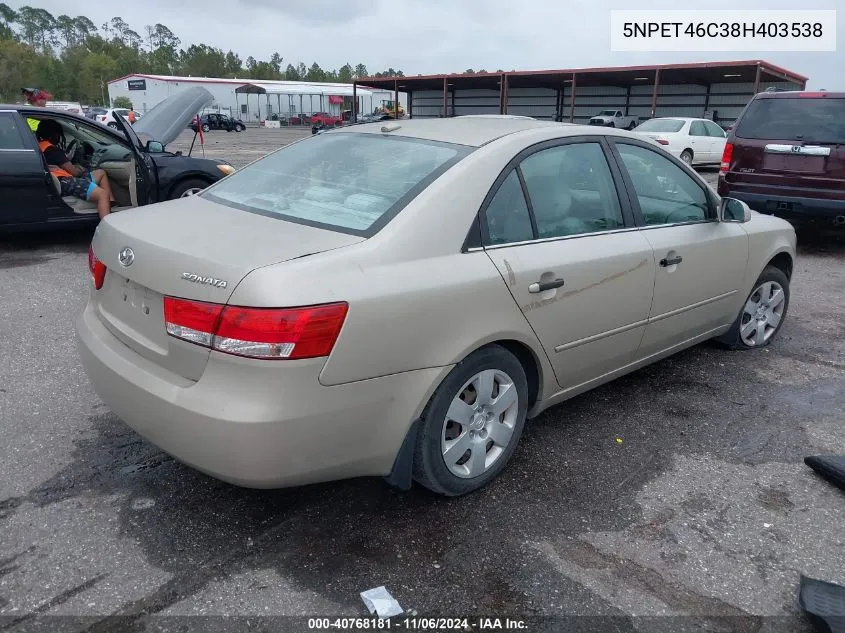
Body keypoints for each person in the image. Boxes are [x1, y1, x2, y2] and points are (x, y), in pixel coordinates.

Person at [36, 119, 114, 219]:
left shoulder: (40, 146)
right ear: (54, 134)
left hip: (60, 180)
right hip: (64, 182)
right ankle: (106, 224)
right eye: (58, 134)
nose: (59, 137)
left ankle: (109, 204)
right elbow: (74, 172)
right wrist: (80, 169)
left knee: (101, 172)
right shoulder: (52, 150)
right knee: (103, 193)